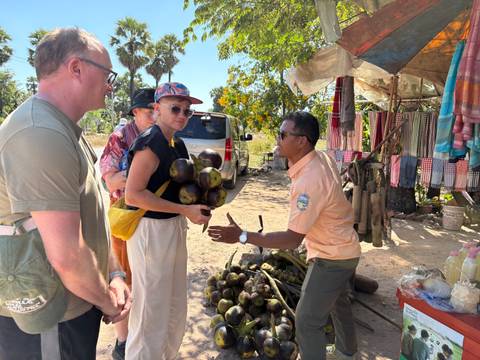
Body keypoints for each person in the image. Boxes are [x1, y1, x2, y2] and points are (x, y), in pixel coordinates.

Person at [0, 28, 131, 359]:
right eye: (108, 73)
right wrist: (107, 301)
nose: (111, 84)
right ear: (76, 68)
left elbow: (93, 214)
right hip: (49, 318)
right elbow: (66, 254)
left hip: (73, 306)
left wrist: (113, 272)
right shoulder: (39, 132)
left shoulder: (63, 128)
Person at [208, 111, 361, 360]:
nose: (277, 139)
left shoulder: (309, 180)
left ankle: (339, 353)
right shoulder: (321, 158)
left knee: (307, 321)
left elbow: (291, 240)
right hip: (344, 248)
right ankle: (346, 352)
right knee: (338, 302)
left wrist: (242, 236)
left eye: (282, 134)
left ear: (301, 141)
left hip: (331, 257)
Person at [124, 82, 211, 359]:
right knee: (151, 309)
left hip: (172, 227)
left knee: (173, 304)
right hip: (151, 232)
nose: (183, 115)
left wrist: (198, 204)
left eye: (188, 111)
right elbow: (133, 195)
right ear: (156, 108)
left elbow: (182, 188)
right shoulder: (150, 142)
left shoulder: (178, 143)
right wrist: (183, 210)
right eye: (175, 108)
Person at [99, 88, 155, 360]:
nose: (156, 115)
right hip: (124, 218)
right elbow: (110, 180)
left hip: (152, 219)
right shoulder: (119, 138)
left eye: (159, 110)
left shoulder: (161, 138)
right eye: (150, 111)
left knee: (147, 279)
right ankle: (122, 342)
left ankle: (140, 332)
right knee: (123, 279)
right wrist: (140, 178)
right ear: (135, 112)